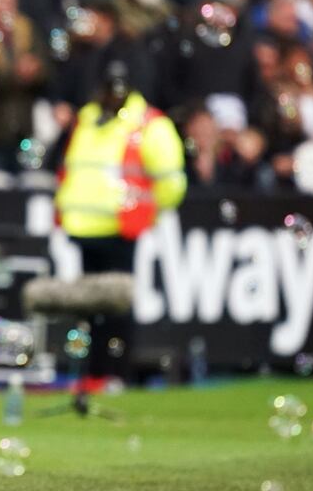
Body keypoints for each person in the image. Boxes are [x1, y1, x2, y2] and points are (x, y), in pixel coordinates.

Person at [55, 57, 186, 383]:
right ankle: (94, 374)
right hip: (84, 227)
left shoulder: (150, 123)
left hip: (121, 229)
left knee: (116, 307)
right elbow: (73, 167)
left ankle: (115, 373)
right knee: (90, 307)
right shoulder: (87, 118)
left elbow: (171, 180)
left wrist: (147, 211)